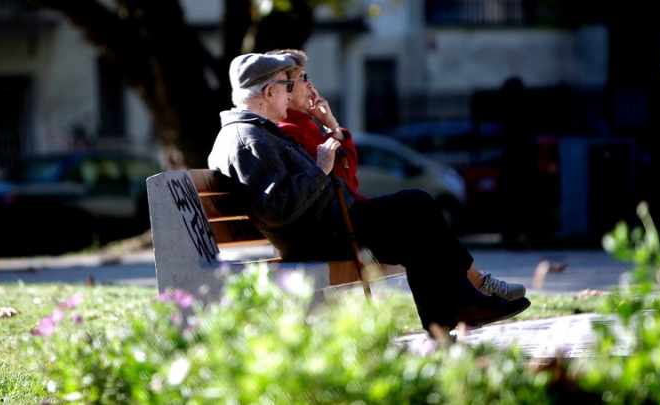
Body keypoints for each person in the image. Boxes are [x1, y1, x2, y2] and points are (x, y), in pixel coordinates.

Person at [208, 53, 531, 335]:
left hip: (334, 225)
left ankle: (452, 320)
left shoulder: (256, 133)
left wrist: (324, 158)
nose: (291, 93)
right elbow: (276, 208)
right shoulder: (249, 139)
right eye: (287, 85)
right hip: (324, 236)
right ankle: (459, 311)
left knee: (416, 217)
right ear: (269, 91)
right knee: (415, 209)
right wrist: (320, 169)